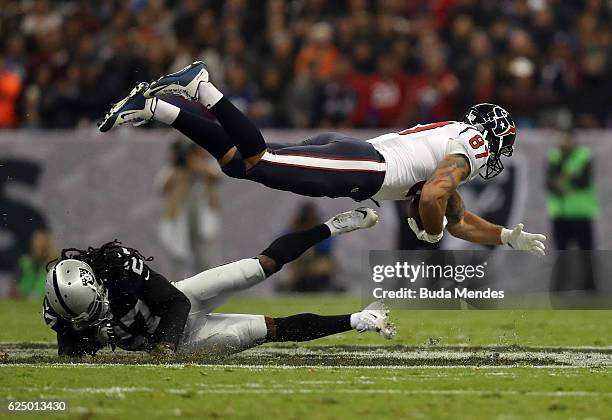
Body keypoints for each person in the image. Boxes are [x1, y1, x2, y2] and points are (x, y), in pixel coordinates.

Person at [99, 62, 546, 256]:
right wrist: (429, 233)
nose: (498, 153)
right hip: (364, 168)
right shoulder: (473, 144)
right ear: (490, 135)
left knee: (238, 163)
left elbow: (458, 219)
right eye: (501, 143)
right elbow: (433, 197)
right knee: (257, 159)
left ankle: (156, 107)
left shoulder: (455, 141)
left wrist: (507, 237)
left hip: (356, 155)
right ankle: (201, 87)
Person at [43, 208, 394, 357]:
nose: (92, 315)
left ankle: (332, 226)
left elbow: (175, 302)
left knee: (260, 266)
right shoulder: (61, 312)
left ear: (96, 283)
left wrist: (163, 349)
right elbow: (71, 352)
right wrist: (91, 343)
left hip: (180, 308)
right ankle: (360, 319)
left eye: (92, 306)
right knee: (269, 330)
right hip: (188, 343)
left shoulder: (119, 269)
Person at [156, 139, 222, 278]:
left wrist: (195, 164)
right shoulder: (173, 169)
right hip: (180, 216)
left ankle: (207, 285)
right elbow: (161, 187)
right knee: (176, 254)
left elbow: (216, 176)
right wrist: (180, 169)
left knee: (205, 255)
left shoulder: (207, 165)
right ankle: (175, 287)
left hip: (201, 216)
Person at [13, 229, 57, 298]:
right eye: (35, 244)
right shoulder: (25, 261)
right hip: (24, 297)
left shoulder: (54, 263)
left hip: (44, 297)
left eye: (40, 244)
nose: (36, 246)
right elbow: (16, 282)